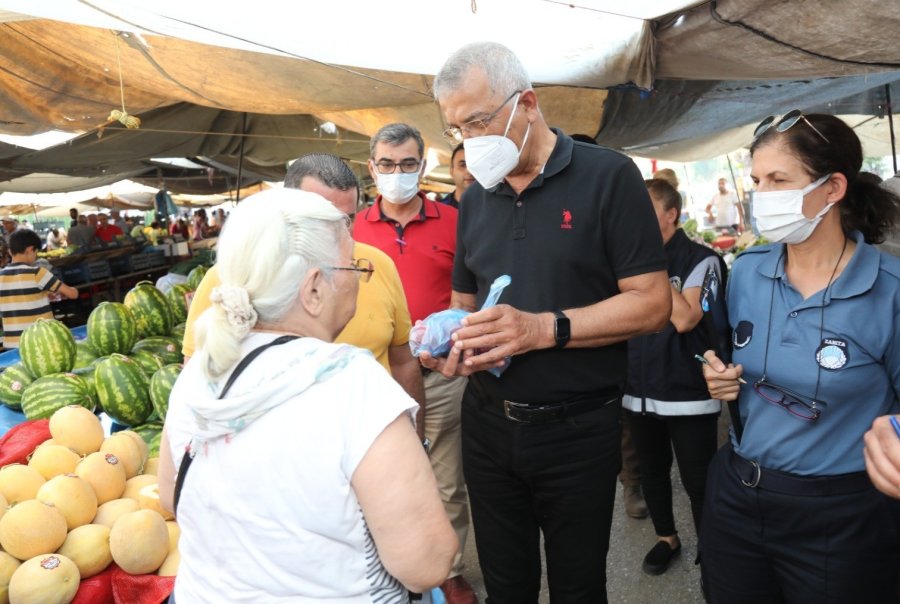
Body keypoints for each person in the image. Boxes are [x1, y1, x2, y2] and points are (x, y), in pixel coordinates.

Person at [429, 42, 671, 603]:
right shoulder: (476, 199)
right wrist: (446, 340)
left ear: (528, 103)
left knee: (578, 586)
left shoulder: (608, 177)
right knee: (507, 585)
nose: (470, 139)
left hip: (578, 429)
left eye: (479, 120)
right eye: (457, 128)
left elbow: (652, 302)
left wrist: (542, 329)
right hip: (488, 426)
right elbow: (463, 305)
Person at [157, 188, 457, 601]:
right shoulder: (353, 384)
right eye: (352, 265)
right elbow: (426, 563)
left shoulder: (199, 374)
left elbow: (172, 498)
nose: (358, 277)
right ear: (314, 289)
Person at [700, 112, 900, 603]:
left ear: (832, 188)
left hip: (843, 517)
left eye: (778, 180)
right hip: (737, 497)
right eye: (756, 181)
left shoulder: (890, 290)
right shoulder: (746, 272)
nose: (760, 195)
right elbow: (732, 362)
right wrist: (719, 377)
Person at [182, 153, 427, 440]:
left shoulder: (376, 265)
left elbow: (403, 361)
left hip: (374, 449)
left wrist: (416, 437)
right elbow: (197, 376)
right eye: (321, 219)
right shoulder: (230, 276)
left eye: (347, 220)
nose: (337, 233)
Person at [353, 124, 475, 604]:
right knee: (378, 479)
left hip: (439, 373)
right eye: (387, 164)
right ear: (372, 168)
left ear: (423, 167)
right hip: (374, 379)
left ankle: (450, 569)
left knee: (445, 476)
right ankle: (389, 571)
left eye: (407, 164)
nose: (397, 173)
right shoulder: (354, 228)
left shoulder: (454, 221)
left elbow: (472, 294)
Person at [624, 178, 724, 575]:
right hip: (638, 391)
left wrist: (649, 266)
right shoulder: (624, 260)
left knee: (699, 482)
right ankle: (667, 538)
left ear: (671, 216)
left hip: (687, 392)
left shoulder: (703, 260)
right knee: (652, 472)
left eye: (643, 213)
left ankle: (713, 552)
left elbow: (685, 319)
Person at [571, 134, 647, 520]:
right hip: (569, 350)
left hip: (614, 336)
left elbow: (644, 295)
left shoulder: (613, 202)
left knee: (626, 416)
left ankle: (632, 481)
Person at [0, 229, 78, 348]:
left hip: (13, 345)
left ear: (10, 251)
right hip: (41, 341)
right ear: (30, 250)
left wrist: (42, 295)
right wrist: (72, 290)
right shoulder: (37, 273)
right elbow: (72, 294)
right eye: (36, 252)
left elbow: (17, 298)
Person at [442, 143, 473, 209]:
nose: (469, 171)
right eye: (463, 165)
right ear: (451, 171)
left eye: (474, 165)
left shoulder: (496, 208)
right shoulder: (441, 209)